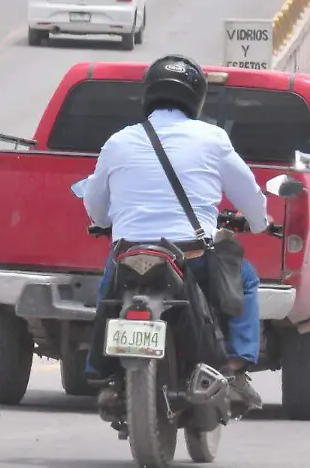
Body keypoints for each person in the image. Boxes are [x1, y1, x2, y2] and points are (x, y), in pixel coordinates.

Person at [83, 54, 269, 411]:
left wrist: (107, 221)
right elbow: (250, 196)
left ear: (149, 93)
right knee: (245, 279)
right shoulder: (213, 139)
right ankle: (235, 368)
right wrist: (259, 223)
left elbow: (95, 207)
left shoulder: (118, 142)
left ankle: (102, 371)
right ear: (195, 97)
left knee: (108, 291)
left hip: (128, 254)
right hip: (192, 257)